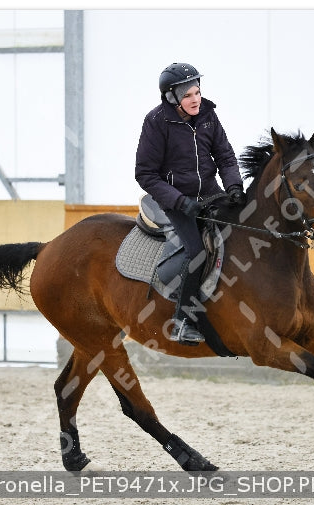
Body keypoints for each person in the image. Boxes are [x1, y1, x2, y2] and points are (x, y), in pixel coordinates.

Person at [135, 62, 246, 346]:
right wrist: (181, 202)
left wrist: (233, 186)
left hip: (211, 192)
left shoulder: (208, 114)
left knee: (244, 231)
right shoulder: (156, 122)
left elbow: (225, 156)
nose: (195, 98)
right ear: (172, 98)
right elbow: (145, 174)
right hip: (175, 201)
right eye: (188, 95)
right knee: (196, 252)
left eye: (197, 91)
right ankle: (182, 322)